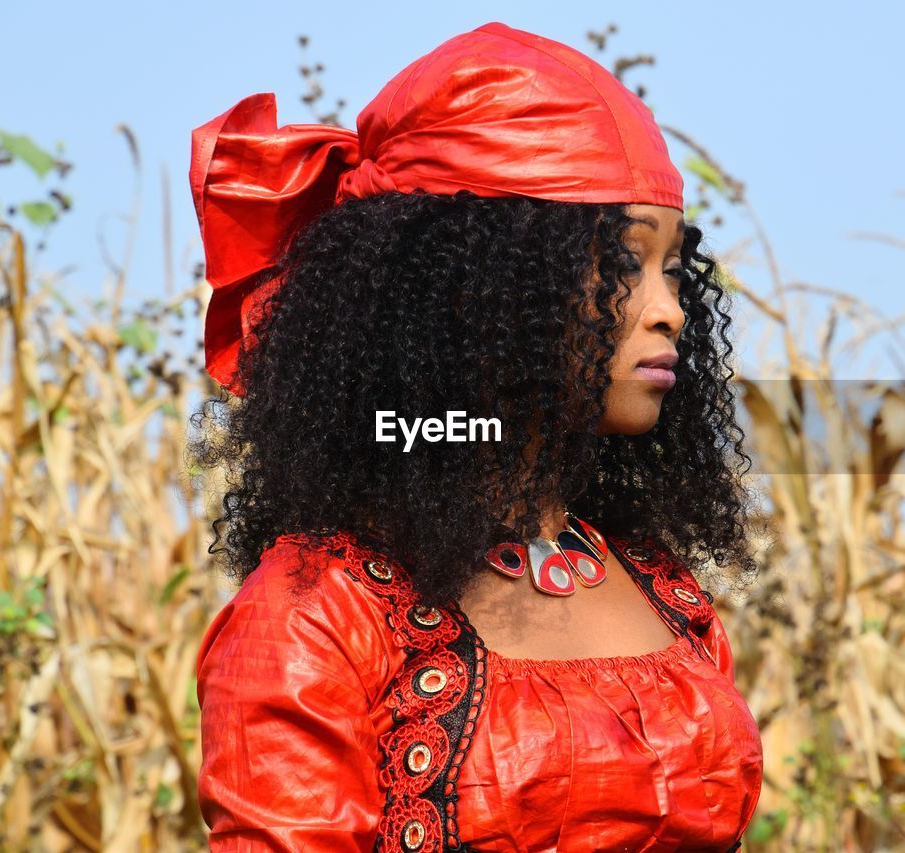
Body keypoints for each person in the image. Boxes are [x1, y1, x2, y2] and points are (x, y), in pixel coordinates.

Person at [186, 20, 764, 852]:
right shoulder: (321, 614)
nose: (668, 307)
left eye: (670, 267)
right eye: (619, 264)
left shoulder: (669, 597)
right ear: (472, 292)